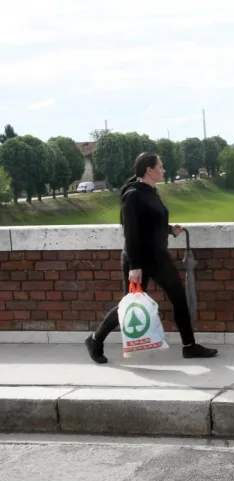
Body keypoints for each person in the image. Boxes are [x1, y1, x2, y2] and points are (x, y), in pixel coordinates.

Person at [85, 152, 217, 364]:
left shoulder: (150, 191)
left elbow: (149, 223)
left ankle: (189, 346)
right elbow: (131, 232)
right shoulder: (133, 195)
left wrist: (168, 229)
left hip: (157, 257)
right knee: (129, 305)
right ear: (149, 170)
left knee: (178, 298)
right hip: (139, 260)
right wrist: (135, 266)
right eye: (160, 166)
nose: (163, 170)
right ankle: (95, 340)